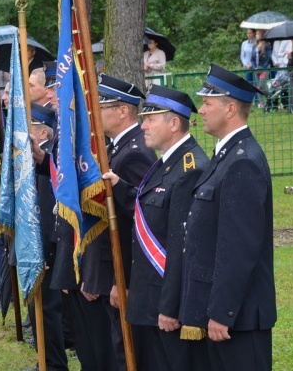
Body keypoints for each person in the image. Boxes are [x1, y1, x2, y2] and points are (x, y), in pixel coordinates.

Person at [103, 85, 209, 371]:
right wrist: (120, 187)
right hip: (149, 298)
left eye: (150, 119)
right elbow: (153, 213)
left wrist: (170, 307)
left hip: (165, 305)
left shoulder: (190, 169)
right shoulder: (167, 162)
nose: (143, 126)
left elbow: (181, 246)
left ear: (173, 124)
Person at [181, 63, 276, 371]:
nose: (201, 110)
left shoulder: (242, 162)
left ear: (231, 108)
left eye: (208, 103)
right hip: (225, 311)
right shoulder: (227, 154)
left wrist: (223, 312)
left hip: (239, 318)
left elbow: (239, 248)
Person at [81, 74, 157, 370]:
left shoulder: (134, 154)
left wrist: (121, 279)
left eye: (101, 108)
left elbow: (136, 225)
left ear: (123, 110)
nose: (95, 115)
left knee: (125, 351)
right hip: (108, 267)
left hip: (122, 270)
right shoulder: (117, 148)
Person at [27, 102, 69, 371]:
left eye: (28, 126)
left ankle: (53, 364)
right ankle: (44, 360)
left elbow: (46, 208)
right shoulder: (31, 158)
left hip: (46, 246)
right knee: (36, 309)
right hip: (33, 243)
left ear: (43, 132)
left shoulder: (49, 158)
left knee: (47, 310)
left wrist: (41, 248)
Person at [253, 30, 272, 108]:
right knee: (258, 87)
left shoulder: (267, 45)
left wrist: (263, 68)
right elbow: (252, 58)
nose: (257, 35)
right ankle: (261, 104)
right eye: (256, 34)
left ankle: (270, 98)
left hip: (265, 68)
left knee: (263, 86)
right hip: (256, 68)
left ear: (262, 35)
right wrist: (254, 67)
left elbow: (269, 58)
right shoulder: (254, 45)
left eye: (259, 34)